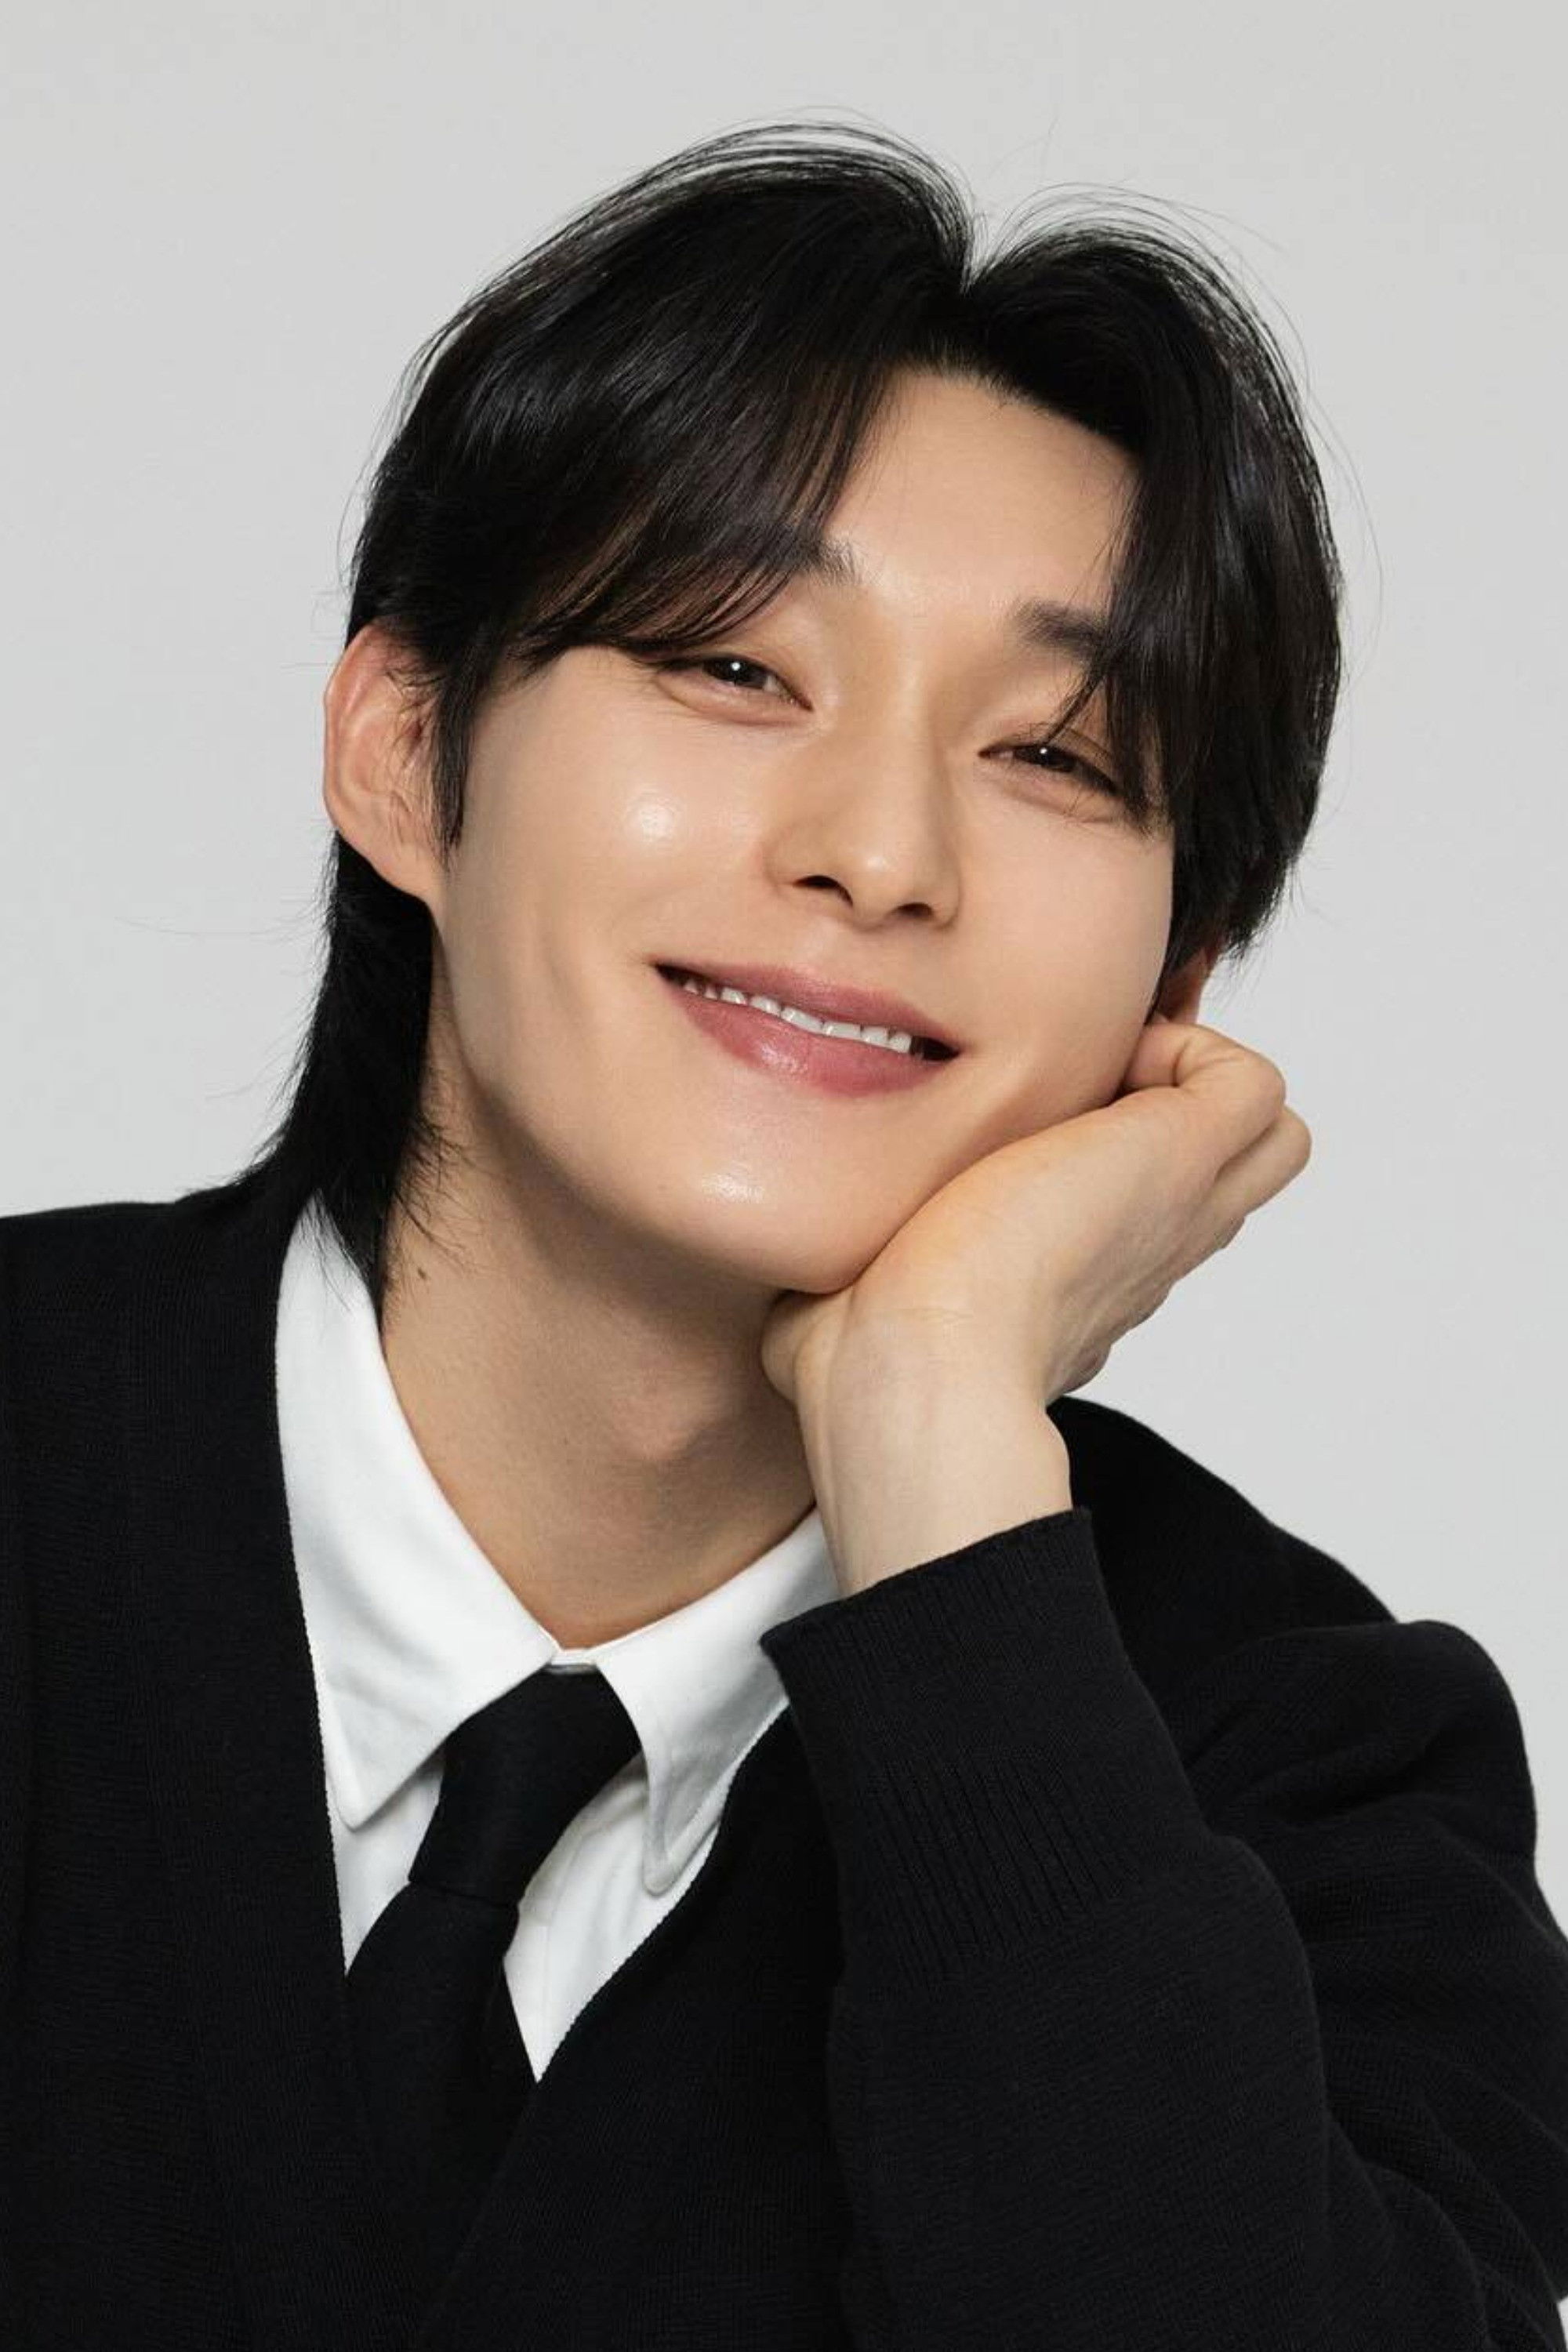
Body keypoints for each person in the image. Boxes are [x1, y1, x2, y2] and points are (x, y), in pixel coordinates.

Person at [2, 118, 1565, 2350]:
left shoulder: (1306, 1754)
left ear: (1180, 980)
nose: (881, 854)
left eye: (1055, 755)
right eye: (737, 669)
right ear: (405, 754)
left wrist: (942, 1469)